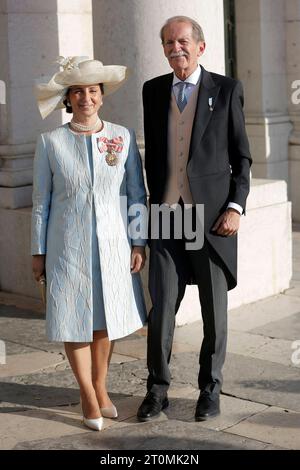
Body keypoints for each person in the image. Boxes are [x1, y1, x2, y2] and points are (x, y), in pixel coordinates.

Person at [137, 16, 252, 422]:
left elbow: (242, 157)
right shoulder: (153, 91)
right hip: (166, 215)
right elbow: (155, 156)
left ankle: (210, 390)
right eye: (168, 42)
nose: (175, 48)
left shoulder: (227, 89)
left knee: (213, 312)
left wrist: (235, 208)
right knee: (162, 307)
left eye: (182, 41)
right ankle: (157, 390)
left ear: (200, 47)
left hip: (211, 219)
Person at [31, 56, 147, 431]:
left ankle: (101, 385)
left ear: (102, 96)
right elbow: (40, 201)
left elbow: (135, 194)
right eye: (78, 92)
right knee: (73, 320)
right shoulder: (50, 143)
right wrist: (38, 251)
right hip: (67, 246)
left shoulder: (122, 135)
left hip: (113, 245)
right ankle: (86, 393)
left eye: (93, 91)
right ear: (69, 98)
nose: (86, 98)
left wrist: (138, 242)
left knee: (105, 319)